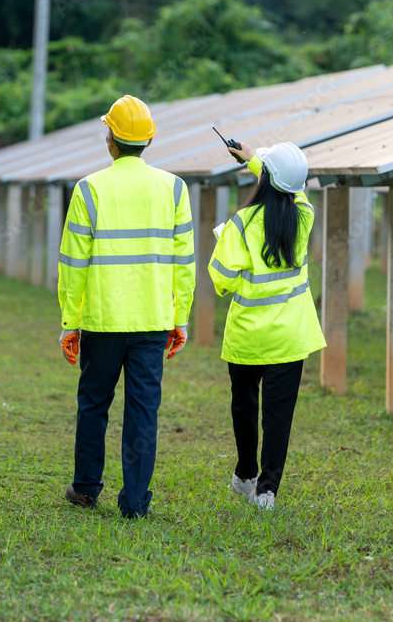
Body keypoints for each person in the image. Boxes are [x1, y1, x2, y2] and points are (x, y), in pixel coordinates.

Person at [58, 94, 196, 519]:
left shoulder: (88, 189)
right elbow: (183, 262)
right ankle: (135, 503)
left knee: (94, 404)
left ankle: (85, 489)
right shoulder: (174, 189)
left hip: (101, 320)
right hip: (153, 322)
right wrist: (180, 319)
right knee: (142, 412)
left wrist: (70, 323)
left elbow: (72, 263)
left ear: (110, 139)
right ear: (149, 139)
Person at [208, 139, 326, 511]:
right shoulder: (304, 216)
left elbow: (221, 280)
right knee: (278, 416)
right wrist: (257, 162)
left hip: (247, 337)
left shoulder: (240, 224)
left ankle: (246, 475)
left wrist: (221, 238)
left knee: (244, 406)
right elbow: (290, 186)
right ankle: (267, 492)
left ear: (264, 180)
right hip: (290, 337)